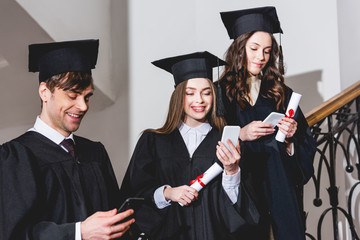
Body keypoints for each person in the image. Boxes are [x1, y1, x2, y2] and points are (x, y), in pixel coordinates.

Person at [0, 39, 134, 240]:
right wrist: (79, 232)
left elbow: (116, 221)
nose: (83, 106)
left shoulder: (95, 153)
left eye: (87, 97)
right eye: (73, 95)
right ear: (45, 92)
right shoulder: (17, 156)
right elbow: (14, 234)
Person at [120, 51, 259, 240]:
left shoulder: (227, 142)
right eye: (190, 93)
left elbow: (243, 209)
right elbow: (132, 196)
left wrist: (232, 171)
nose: (199, 100)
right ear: (178, 96)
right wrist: (168, 193)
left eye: (206, 92)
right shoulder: (153, 141)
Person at [217, 6, 316, 240]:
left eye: (267, 51)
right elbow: (208, 141)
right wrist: (240, 133)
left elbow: (305, 149)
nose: (261, 57)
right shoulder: (220, 93)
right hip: (243, 190)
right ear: (239, 48)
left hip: (279, 189)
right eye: (254, 48)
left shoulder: (281, 92)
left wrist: (290, 139)